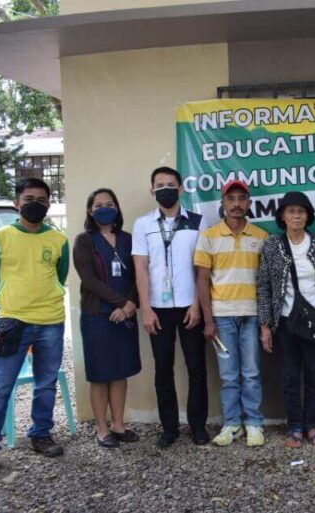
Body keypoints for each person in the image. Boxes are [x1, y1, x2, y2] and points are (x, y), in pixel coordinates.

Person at [0, 178, 69, 476]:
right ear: (17, 203)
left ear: (48, 205)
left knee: (46, 383)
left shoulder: (58, 239)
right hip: (11, 323)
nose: (34, 204)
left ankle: (40, 433)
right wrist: (8, 299)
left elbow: (60, 277)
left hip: (50, 321)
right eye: (28, 198)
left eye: (40, 199)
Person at [132, 166, 209, 448]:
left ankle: (198, 427)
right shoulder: (143, 225)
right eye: (159, 185)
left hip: (191, 307)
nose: (165, 189)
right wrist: (146, 309)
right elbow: (140, 269)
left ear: (181, 189)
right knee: (163, 370)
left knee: (196, 368)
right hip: (158, 309)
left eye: (170, 184)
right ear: (152, 191)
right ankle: (169, 428)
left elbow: (202, 269)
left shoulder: (198, 222)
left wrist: (199, 305)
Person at [257, 191, 315, 448]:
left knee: (314, 375)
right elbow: (264, 286)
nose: (296, 216)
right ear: (282, 216)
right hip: (286, 323)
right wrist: (265, 325)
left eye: (301, 211)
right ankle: (294, 426)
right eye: (291, 211)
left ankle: (312, 425)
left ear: (308, 216)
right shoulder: (272, 245)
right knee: (290, 377)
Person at [195, 180, 268, 447]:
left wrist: (265, 321)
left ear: (248, 203)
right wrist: (208, 320)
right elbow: (202, 280)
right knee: (228, 375)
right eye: (231, 199)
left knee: (251, 373)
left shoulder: (261, 237)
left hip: (252, 315)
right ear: (223, 203)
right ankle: (232, 424)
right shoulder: (209, 236)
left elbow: (267, 282)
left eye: (241, 198)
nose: (236, 204)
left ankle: (254, 424)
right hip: (222, 317)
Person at [73, 188, 141, 448]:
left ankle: (118, 424)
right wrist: (121, 302)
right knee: (100, 374)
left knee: (120, 371)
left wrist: (130, 304)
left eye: (109, 203)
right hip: (97, 316)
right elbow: (88, 280)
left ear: (117, 208)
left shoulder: (128, 239)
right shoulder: (84, 240)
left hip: (125, 315)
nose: (104, 208)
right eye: (98, 204)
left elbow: (138, 274)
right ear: (91, 210)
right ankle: (102, 428)